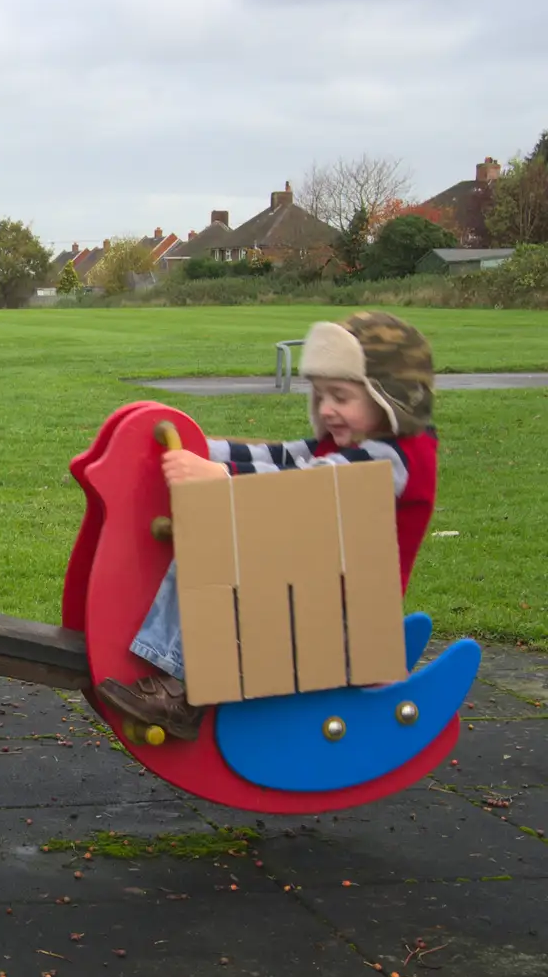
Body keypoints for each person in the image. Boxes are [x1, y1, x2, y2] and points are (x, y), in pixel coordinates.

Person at [96, 311, 439, 740]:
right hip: (321, 601)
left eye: (341, 396)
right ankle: (175, 673)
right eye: (320, 394)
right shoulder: (358, 443)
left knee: (219, 538)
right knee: (228, 530)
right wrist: (201, 449)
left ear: (390, 396)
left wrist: (217, 478)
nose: (327, 408)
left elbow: (310, 487)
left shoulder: (397, 458)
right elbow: (283, 457)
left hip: (343, 625)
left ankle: (180, 690)